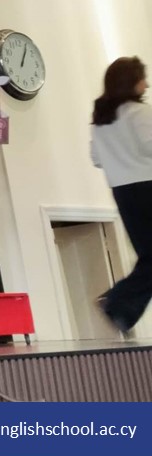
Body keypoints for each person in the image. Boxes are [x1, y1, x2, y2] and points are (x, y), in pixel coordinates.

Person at [90, 56, 152, 333]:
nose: (146, 84)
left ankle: (119, 306)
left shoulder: (101, 122)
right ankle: (116, 302)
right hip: (148, 185)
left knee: (149, 255)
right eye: (143, 78)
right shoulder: (140, 112)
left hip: (123, 192)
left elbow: (96, 159)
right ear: (132, 81)